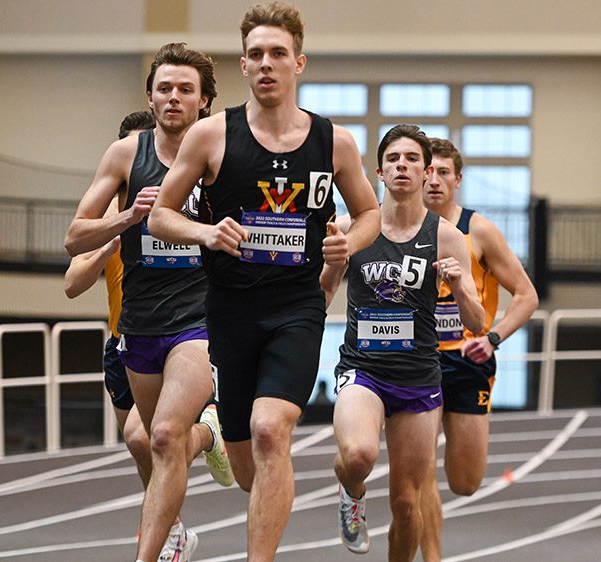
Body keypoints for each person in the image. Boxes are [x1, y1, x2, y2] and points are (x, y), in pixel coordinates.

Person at [147, 3, 381, 559]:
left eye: (278, 53)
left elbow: (369, 213)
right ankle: (226, 441)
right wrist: (204, 233)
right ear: (244, 66)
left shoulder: (334, 143)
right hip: (229, 310)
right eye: (256, 55)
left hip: (296, 306)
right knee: (249, 461)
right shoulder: (210, 135)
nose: (267, 63)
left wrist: (350, 240)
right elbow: (161, 215)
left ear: (299, 62)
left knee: (273, 428)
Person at [64, 43, 232, 562]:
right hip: (139, 323)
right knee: (153, 444)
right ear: (150, 96)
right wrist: (126, 219)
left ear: (205, 101)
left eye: (186, 89)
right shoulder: (125, 155)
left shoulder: (223, 153)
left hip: (200, 320)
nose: (174, 97)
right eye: (165, 88)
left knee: (160, 435)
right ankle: (210, 434)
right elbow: (74, 239)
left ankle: (153, 552)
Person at [320, 126, 484, 562]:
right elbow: (320, 297)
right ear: (379, 171)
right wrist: (331, 265)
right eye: (393, 159)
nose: (402, 167)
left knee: (407, 503)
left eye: (412, 159)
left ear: (428, 171)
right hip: (363, 370)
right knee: (357, 455)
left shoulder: (446, 235)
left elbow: (477, 321)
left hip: (417, 378)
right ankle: (351, 493)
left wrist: (459, 286)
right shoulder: (352, 227)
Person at [418, 138, 539, 562]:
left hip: (468, 361)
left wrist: (493, 338)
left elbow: (526, 295)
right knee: (417, 474)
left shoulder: (479, 230)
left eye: (443, 172)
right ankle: (431, 556)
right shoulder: (399, 228)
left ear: (458, 179)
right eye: (427, 170)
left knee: (466, 482)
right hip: (418, 360)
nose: (433, 180)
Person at [63, 110, 155, 488]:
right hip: (122, 344)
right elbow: (71, 284)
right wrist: (108, 247)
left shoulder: (181, 204)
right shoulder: (112, 214)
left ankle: (209, 427)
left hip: (172, 335)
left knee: (147, 435)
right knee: (141, 449)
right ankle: (171, 525)